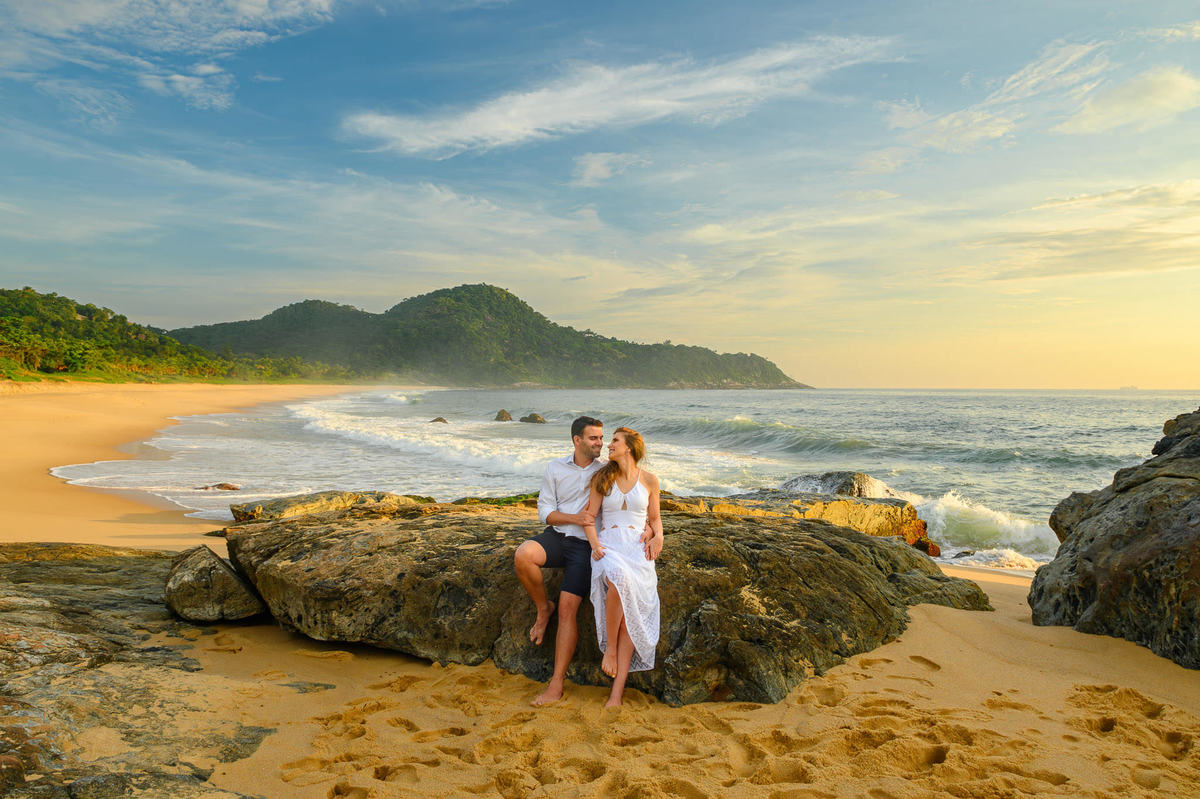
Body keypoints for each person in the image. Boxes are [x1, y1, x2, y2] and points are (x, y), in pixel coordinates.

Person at [514, 416, 605, 707]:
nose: (600, 443)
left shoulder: (606, 471)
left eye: (602, 438)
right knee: (524, 555)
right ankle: (543, 608)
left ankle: (556, 683)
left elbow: (632, 492)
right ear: (577, 440)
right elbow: (545, 511)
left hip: (584, 547)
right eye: (593, 438)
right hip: (557, 536)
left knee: (569, 608)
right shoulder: (555, 467)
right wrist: (574, 518)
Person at [583, 427, 663, 707]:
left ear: (629, 447)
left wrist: (658, 536)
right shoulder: (603, 478)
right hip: (609, 545)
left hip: (637, 549)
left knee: (634, 612)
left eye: (614, 441)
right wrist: (594, 545)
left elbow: (655, 519)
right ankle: (611, 651)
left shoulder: (650, 481)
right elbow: (589, 518)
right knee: (618, 578)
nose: (608, 445)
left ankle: (616, 694)